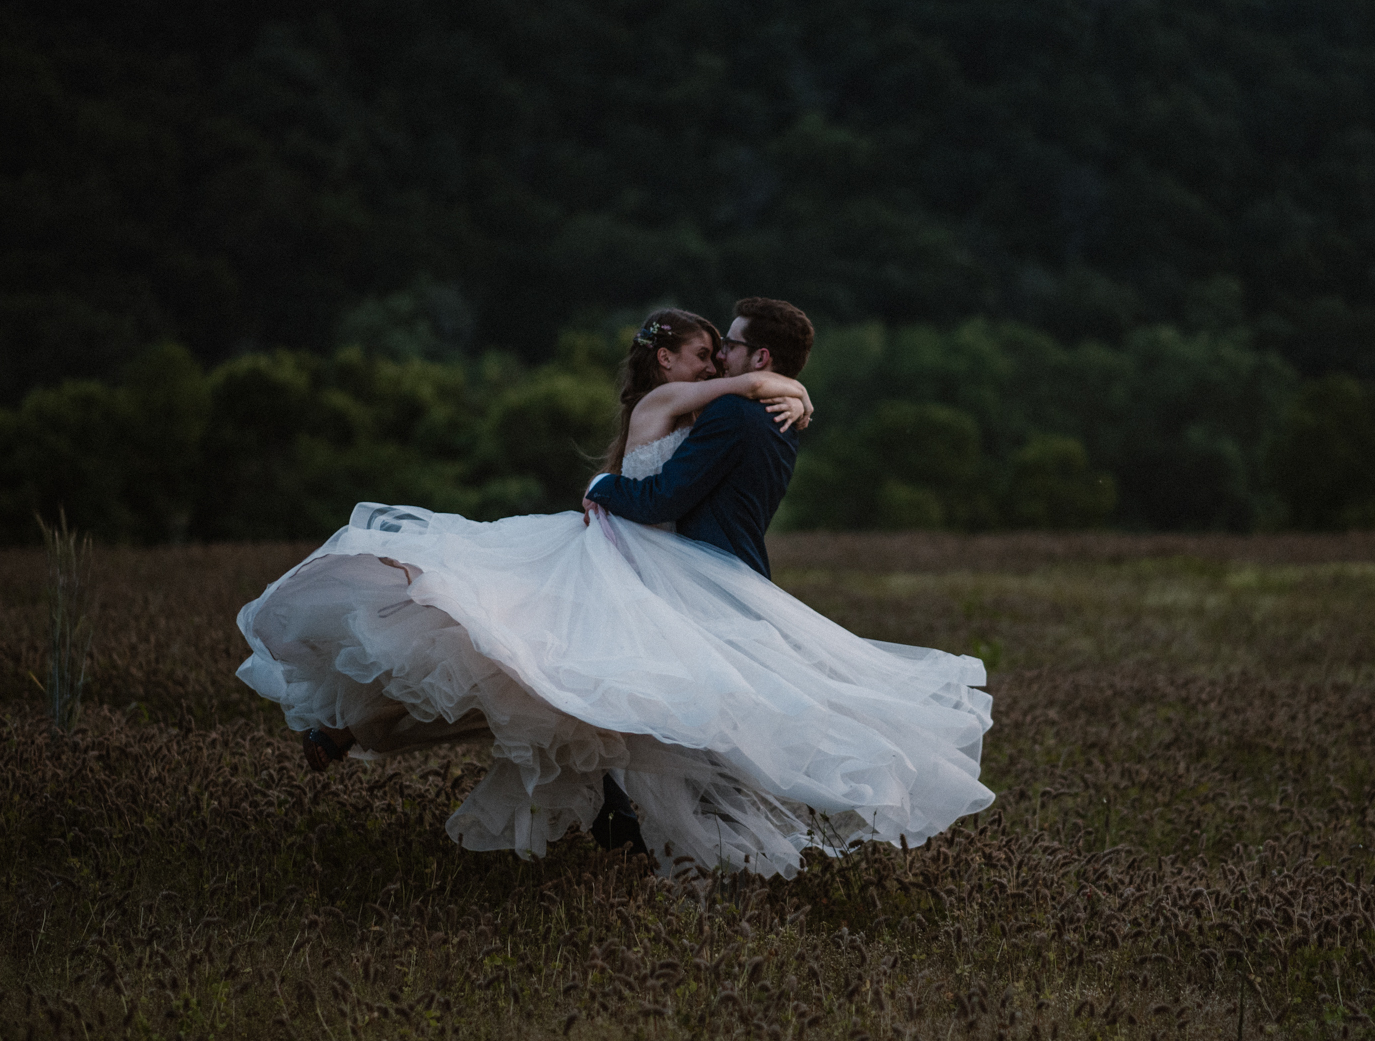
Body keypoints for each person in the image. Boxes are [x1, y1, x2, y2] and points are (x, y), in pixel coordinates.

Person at [235, 300, 993, 878]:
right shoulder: (730, 409)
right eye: (705, 350)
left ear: (753, 353)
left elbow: (661, 498)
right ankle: (639, 832)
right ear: (667, 362)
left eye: (725, 346)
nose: (717, 358)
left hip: (652, 564)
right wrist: (783, 383)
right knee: (517, 664)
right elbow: (683, 470)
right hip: (631, 567)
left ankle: (368, 737)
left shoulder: (737, 410)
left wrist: (607, 480)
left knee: (533, 677)